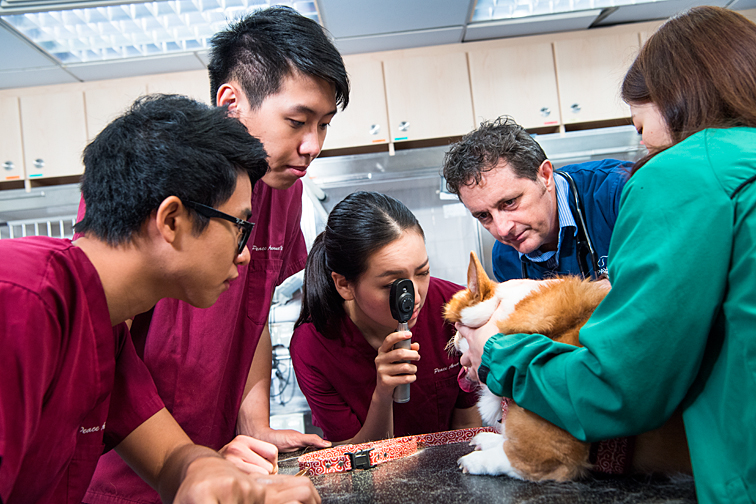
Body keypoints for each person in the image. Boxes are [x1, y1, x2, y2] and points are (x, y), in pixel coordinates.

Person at [456, 6, 756, 504]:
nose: (643, 142)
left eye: (640, 123)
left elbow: (623, 382)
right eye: (484, 217)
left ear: (676, 101)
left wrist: (495, 353)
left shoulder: (667, 177)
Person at [83, 7, 349, 503]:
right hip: (130, 471)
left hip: (220, 459)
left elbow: (254, 312)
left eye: (325, 124)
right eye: (297, 121)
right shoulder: (156, 174)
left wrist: (256, 425)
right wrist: (186, 462)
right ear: (232, 101)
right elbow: (105, 352)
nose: (313, 145)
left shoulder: (284, 190)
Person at [0, 94, 318, 504]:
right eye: (239, 227)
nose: (244, 253)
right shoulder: (23, 302)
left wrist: (208, 472)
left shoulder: (104, 331)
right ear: (171, 221)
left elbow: (173, 459)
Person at [289, 191, 481, 444]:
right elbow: (349, 455)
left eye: (423, 272)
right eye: (393, 284)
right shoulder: (314, 345)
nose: (413, 297)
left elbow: (467, 426)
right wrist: (383, 394)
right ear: (345, 284)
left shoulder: (453, 308)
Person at [442, 116, 632, 281]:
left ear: (545, 176)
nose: (502, 229)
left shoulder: (619, 190)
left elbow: (656, 281)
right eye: (484, 215)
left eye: (509, 202)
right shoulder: (505, 259)